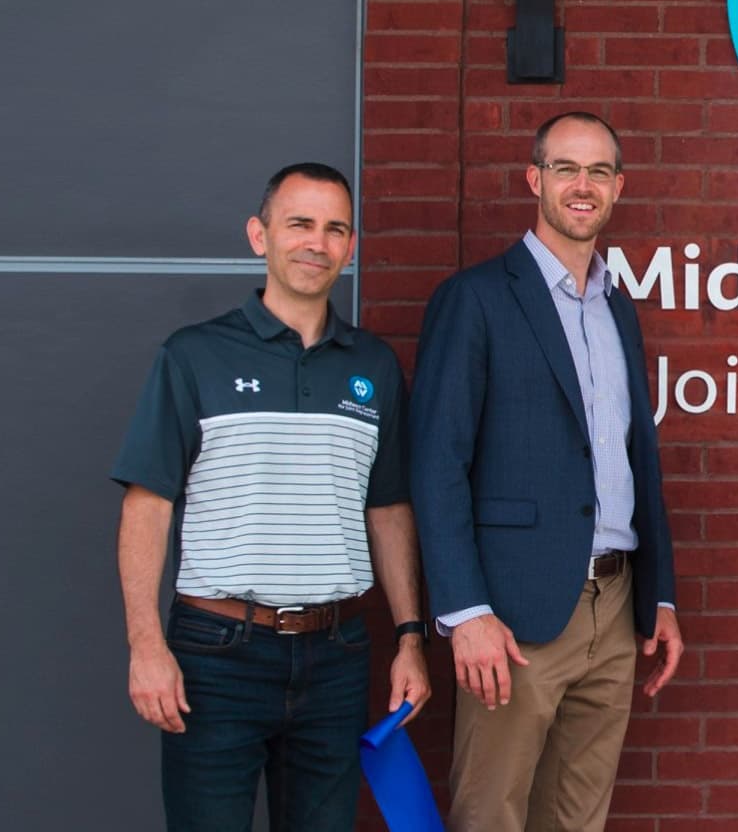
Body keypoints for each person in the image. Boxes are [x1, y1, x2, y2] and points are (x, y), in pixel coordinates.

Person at [113, 162, 431, 831]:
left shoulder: (372, 366)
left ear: (350, 248)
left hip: (337, 651)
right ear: (260, 236)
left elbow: (389, 508)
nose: (317, 242)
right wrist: (146, 645)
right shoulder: (194, 356)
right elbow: (149, 504)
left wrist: (408, 638)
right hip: (216, 654)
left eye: (335, 228)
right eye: (300, 224)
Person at [411, 111, 682, 832]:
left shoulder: (618, 310)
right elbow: (437, 463)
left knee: (577, 819)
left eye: (598, 171)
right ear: (536, 180)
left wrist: (660, 596)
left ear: (619, 187)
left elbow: (634, 460)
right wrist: (465, 612)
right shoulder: (475, 299)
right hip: (514, 617)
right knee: (491, 813)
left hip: (615, 613)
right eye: (566, 168)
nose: (582, 186)